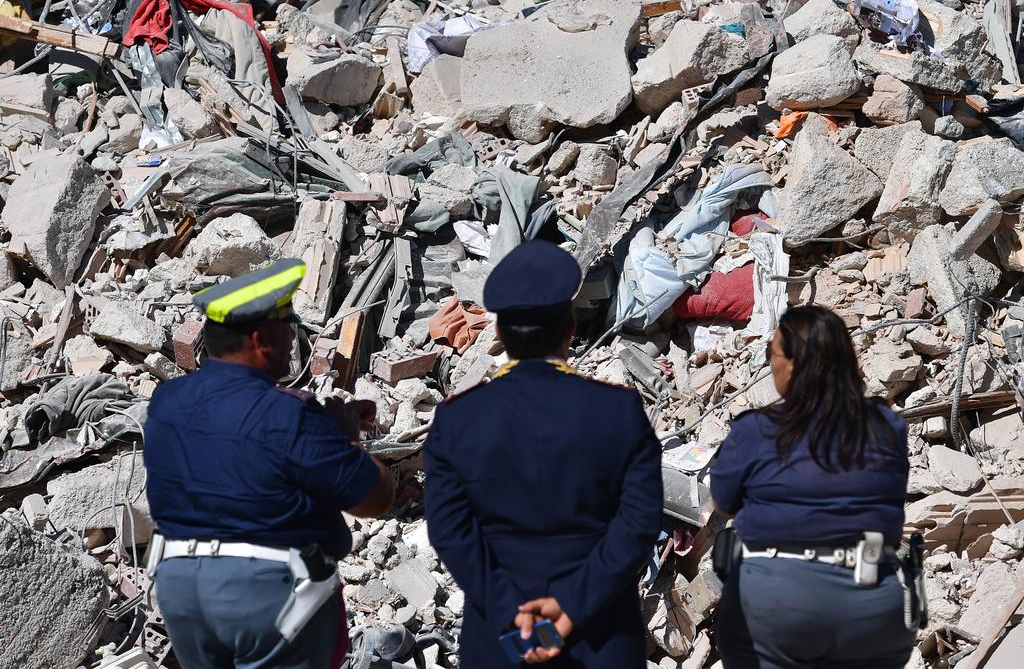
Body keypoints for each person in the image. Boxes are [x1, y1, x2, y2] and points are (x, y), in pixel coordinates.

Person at [144, 258, 394, 669]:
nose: (293, 340)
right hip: (267, 594)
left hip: (180, 590)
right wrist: (345, 435)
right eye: (288, 329)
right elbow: (375, 499)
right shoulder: (288, 414)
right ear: (261, 339)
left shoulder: (167, 402)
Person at [424, 240, 663, 668]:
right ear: (570, 327)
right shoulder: (619, 410)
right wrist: (569, 609)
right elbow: (638, 525)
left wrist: (510, 614)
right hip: (602, 637)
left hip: (502, 641)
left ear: (497, 333)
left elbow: (451, 533)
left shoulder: (456, 420)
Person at [710, 305, 914, 669]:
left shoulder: (754, 430)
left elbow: (723, 501)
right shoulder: (888, 426)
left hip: (775, 607)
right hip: (875, 604)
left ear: (793, 364)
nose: (770, 364)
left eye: (773, 353)